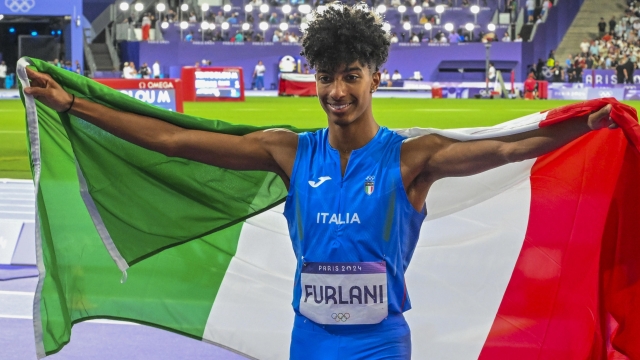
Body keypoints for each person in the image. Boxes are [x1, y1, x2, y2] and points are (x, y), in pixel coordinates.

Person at [23, 5, 616, 359]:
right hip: (308, 343)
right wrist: (76, 103)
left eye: (350, 76)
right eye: (326, 76)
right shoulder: (287, 152)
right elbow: (176, 141)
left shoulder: (412, 159)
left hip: (381, 343)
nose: (337, 91)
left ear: (375, 75)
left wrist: (580, 128)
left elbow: (507, 148)